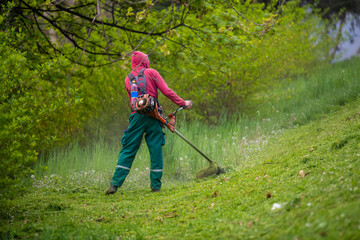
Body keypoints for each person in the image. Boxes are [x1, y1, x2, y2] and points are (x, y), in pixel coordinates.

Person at [106, 51, 192, 195]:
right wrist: (184, 103)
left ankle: (114, 185)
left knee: (128, 149)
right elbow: (167, 92)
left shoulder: (128, 79)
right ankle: (156, 187)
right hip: (154, 116)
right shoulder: (152, 72)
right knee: (156, 149)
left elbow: (133, 104)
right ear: (144, 61)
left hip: (136, 118)